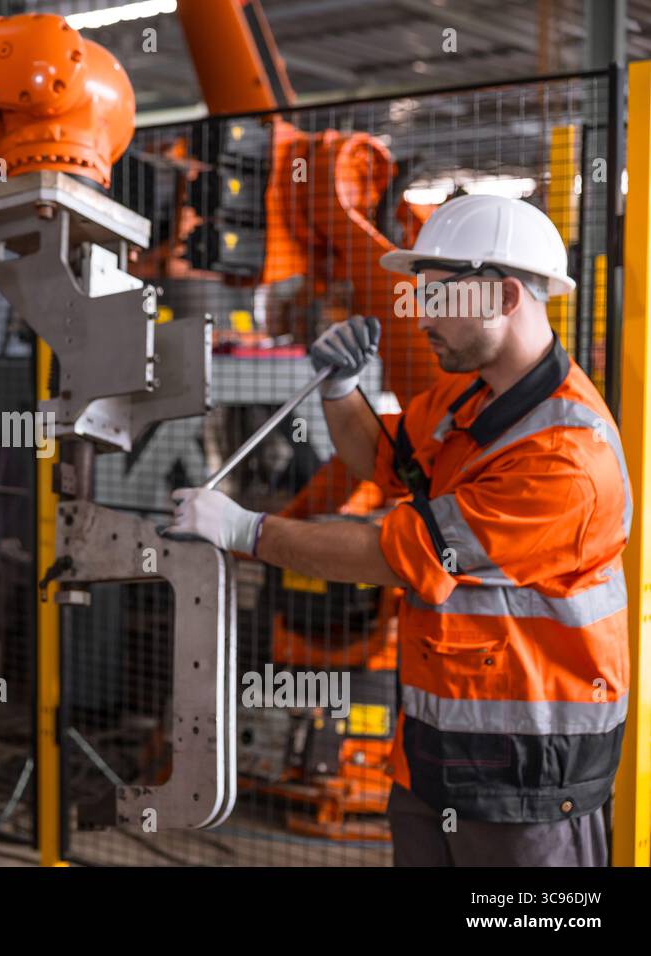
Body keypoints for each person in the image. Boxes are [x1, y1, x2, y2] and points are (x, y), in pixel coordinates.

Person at [167, 194, 629, 866]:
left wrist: (250, 531)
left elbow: (395, 553)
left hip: (527, 779)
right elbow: (381, 460)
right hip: (433, 758)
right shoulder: (466, 399)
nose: (419, 315)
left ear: (502, 296)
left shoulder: (566, 458)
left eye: (436, 296)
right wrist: (340, 388)